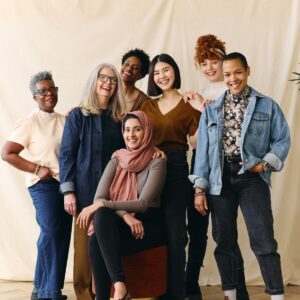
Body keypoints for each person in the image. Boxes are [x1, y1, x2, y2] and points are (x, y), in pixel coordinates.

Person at [189, 52, 290, 300]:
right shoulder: (212, 110)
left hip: (251, 178)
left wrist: (264, 165)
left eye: (237, 72)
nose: (232, 78)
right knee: (224, 240)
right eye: (227, 74)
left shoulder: (267, 105)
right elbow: (202, 152)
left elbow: (281, 140)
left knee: (263, 239)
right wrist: (199, 190)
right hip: (219, 179)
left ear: (247, 71)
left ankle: (276, 296)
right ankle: (231, 294)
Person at [184, 35, 249, 300]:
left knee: (225, 234)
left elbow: (227, 135)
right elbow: (194, 140)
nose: (210, 67)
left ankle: (236, 290)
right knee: (196, 231)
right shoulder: (198, 95)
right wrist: (199, 108)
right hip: (200, 165)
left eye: (215, 61)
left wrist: (202, 108)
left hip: (223, 167)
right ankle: (190, 287)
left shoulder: (231, 90)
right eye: (204, 63)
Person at [76, 111, 167, 300]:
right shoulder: (117, 158)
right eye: (127, 130)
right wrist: (125, 215)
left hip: (146, 226)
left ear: (146, 131)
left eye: (137, 129)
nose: (131, 135)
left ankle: (112, 292)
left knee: (99, 227)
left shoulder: (157, 160)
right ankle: (119, 286)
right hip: (123, 223)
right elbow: (100, 196)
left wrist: (103, 204)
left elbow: (142, 204)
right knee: (100, 218)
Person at [1, 71, 72, 300]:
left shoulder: (65, 120)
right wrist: (36, 169)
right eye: (43, 91)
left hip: (66, 185)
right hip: (44, 185)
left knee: (59, 235)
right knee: (51, 231)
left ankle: (40, 288)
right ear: (34, 97)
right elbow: (7, 153)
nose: (49, 94)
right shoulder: (29, 122)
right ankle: (50, 292)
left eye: (52, 89)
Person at [59, 63, 125, 300]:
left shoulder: (119, 119)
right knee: (84, 253)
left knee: (107, 249)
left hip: (111, 197)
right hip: (84, 193)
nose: (108, 82)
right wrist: (68, 191)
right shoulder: (77, 116)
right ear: (94, 81)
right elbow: (66, 155)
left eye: (113, 79)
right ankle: (84, 296)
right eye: (103, 77)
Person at [141, 54, 200, 300]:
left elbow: (197, 143)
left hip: (176, 168)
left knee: (176, 233)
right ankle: (155, 290)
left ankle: (176, 293)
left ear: (175, 71)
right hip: (149, 169)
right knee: (154, 230)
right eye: (156, 72)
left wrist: (202, 109)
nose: (161, 76)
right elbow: (133, 135)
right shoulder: (147, 106)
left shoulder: (188, 103)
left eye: (166, 70)